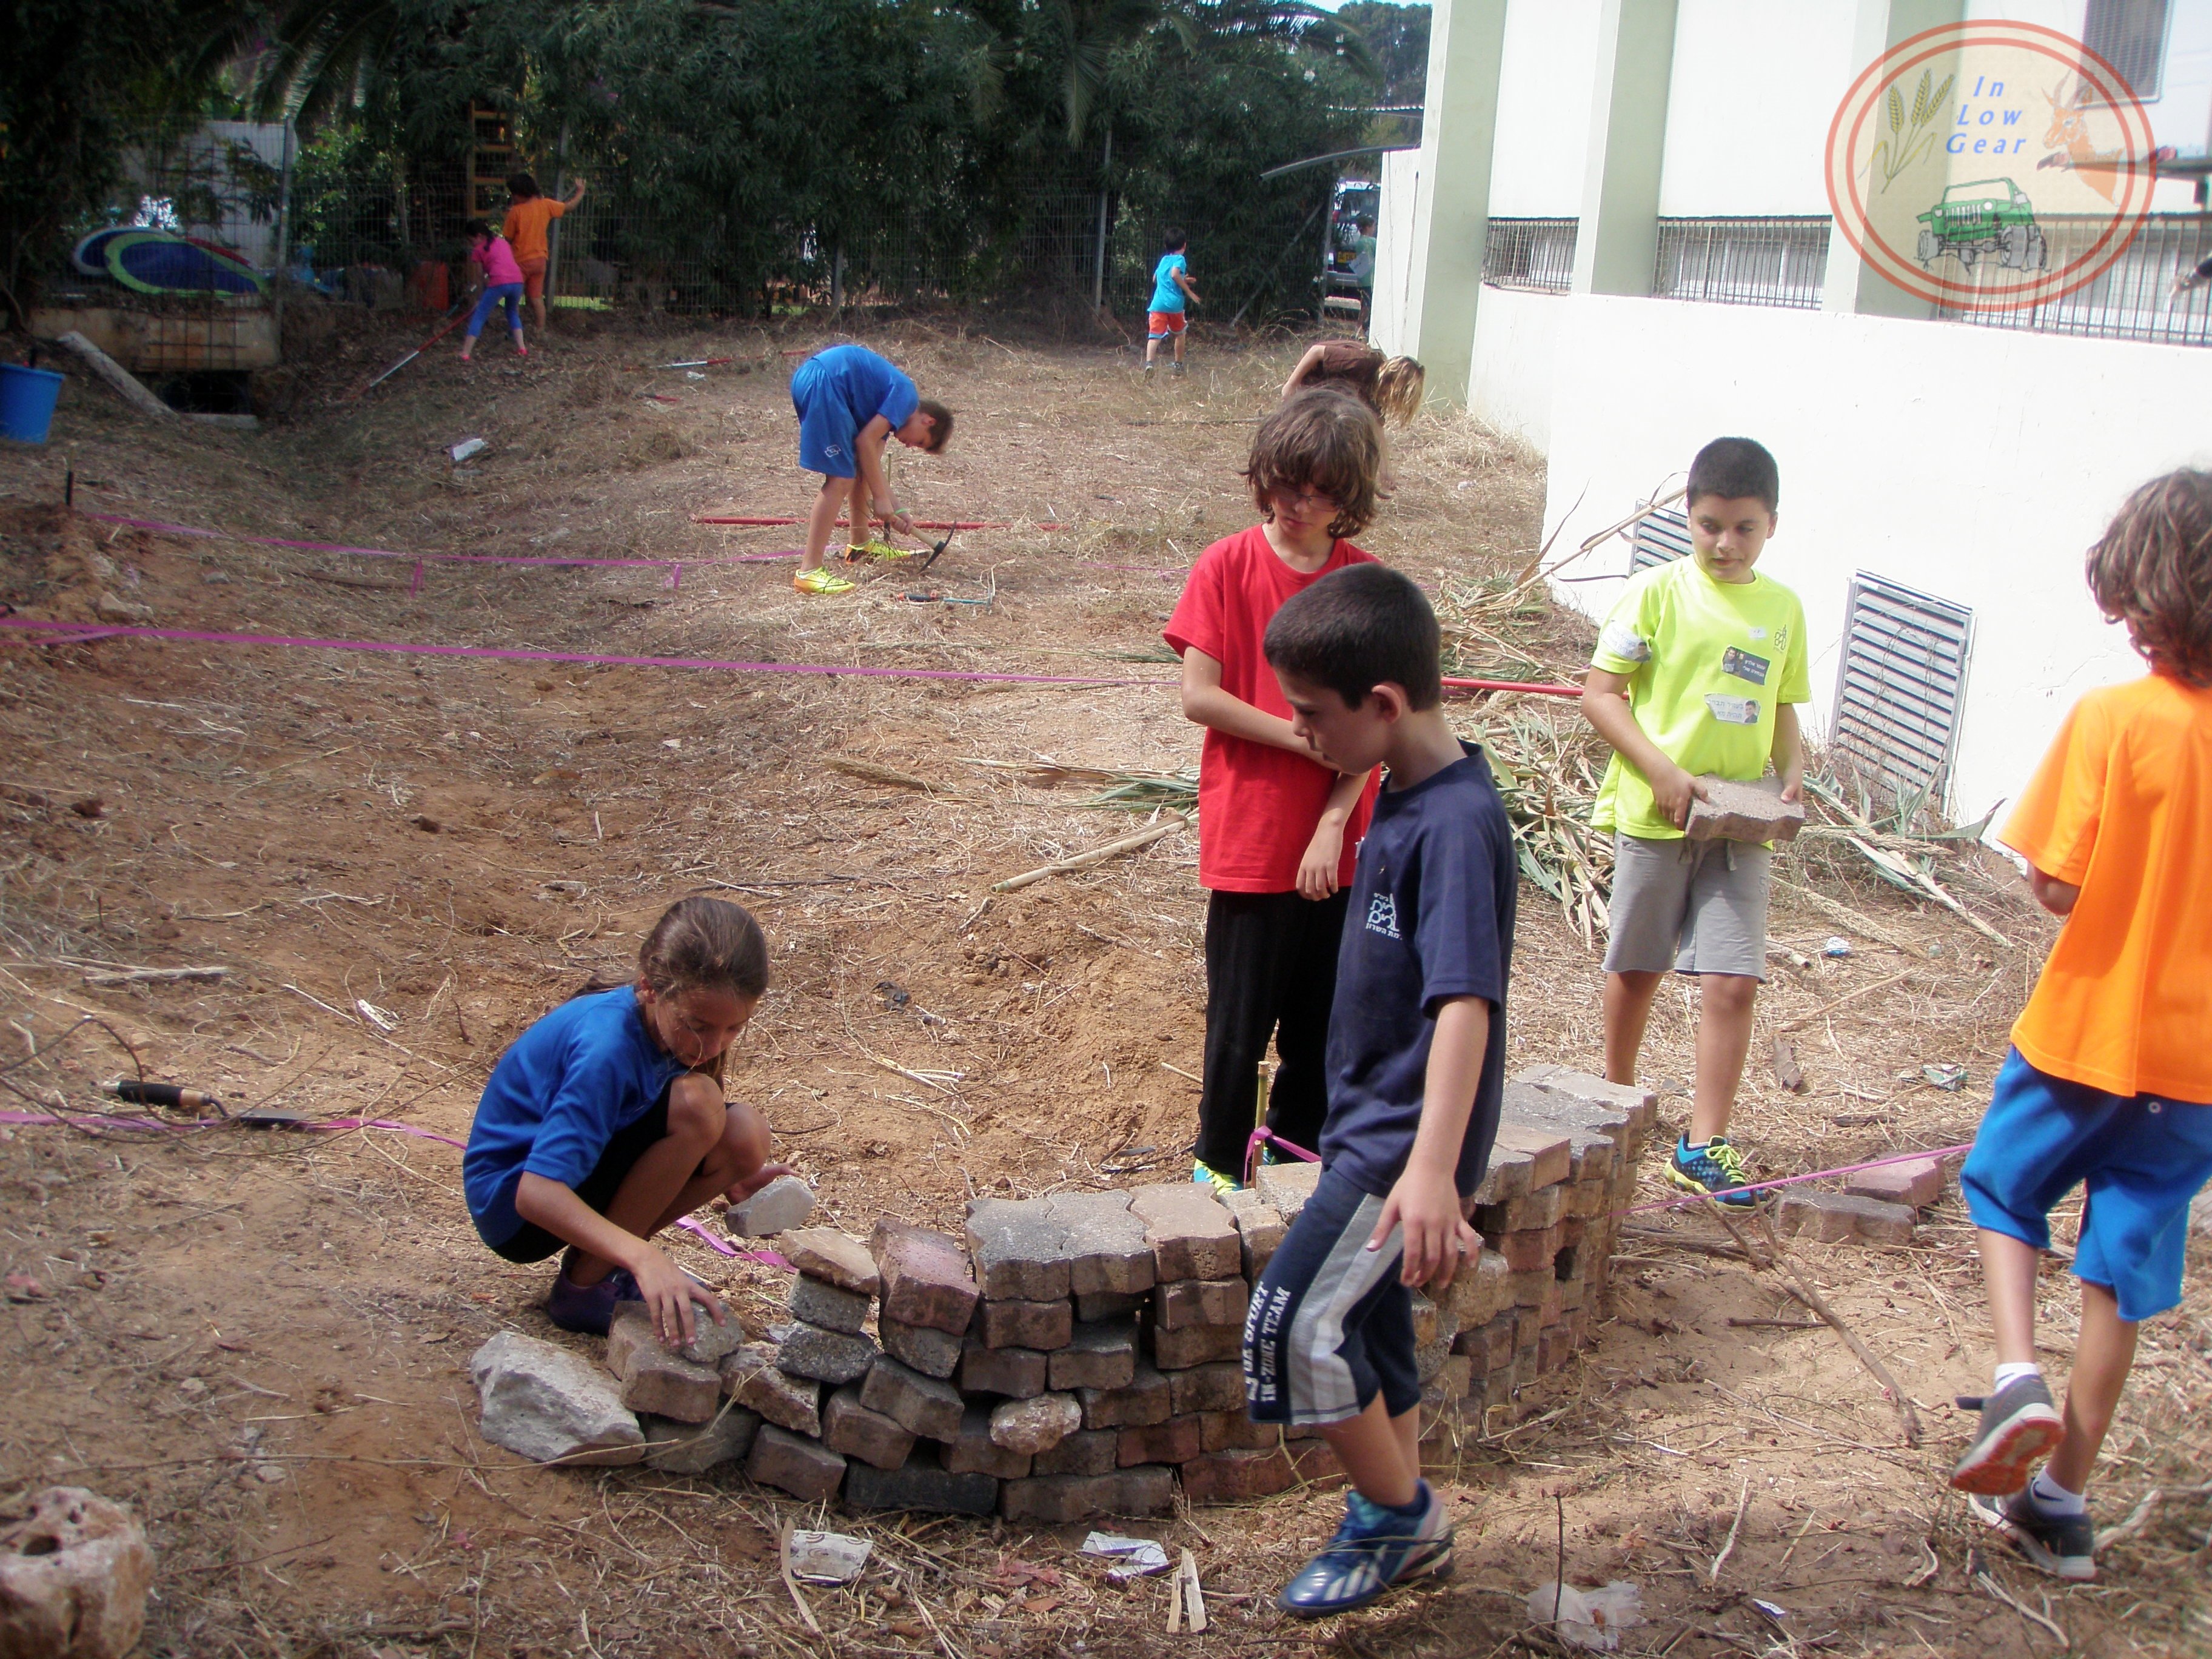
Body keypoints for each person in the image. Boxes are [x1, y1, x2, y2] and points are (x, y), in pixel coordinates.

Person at [1948, 469, 2212, 1582]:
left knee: (2003, 1190)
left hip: (2082, 1036)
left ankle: (2016, 1377)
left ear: (2137, 598)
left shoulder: (2112, 719)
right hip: (2196, 1072)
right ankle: (2062, 1504)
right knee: (2123, 1264)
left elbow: (2053, 883)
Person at [1242, 561, 1516, 1617]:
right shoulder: (1403, 788)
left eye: (1313, 716)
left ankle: (1396, 1521)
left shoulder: (1452, 825)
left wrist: (1434, 1174)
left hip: (1397, 1150)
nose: (1302, 732)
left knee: (1288, 1322)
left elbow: (1463, 1004)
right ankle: (1406, 1522)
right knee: (1369, 1334)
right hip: (1370, 1130)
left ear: (1385, 705)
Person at [1164, 390, 1386, 1195]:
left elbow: (1381, 726)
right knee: (1238, 1025)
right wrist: (1302, 734)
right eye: (1285, 483)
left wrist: (1334, 823)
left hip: (1339, 849)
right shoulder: (1226, 565)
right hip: (1252, 837)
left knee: (1322, 1025)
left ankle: (1296, 1169)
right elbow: (1200, 695)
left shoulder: (1365, 585)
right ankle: (1217, 1165)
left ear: (1350, 497)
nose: (1298, 504)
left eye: (1320, 490)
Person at [1581, 437, 1809, 1206]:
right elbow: (1600, 694)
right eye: (1711, 524)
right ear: (1688, 514)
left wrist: (1793, 777)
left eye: (1744, 527)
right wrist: (1662, 772)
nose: (1725, 542)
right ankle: (1617, 1103)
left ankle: (1704, 1143)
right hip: (1658, 815)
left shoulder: (1783, 610)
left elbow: (1782, 709)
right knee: (1638, 967)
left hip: (1740, 826)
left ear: (1772, 524)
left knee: (1733, 982)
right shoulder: (1653, 595)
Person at [463, 897, 789, 1343]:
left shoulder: (679, 1024)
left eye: (733, 1029)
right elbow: (534, 1194)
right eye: (699, 1026)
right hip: (513, 1205)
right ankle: (584, 1288)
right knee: (698, 1104)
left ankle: (599, 1266)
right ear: (651, 988)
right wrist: (641, 1256)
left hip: (573, 1174)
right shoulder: (606, 1049)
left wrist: (726, 1174)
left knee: (744, 1135)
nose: (714, 1046)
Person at [786, 343, 953, 597]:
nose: (910, 446)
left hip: (821, 382)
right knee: (841, 478)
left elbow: (870, 464)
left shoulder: (886, 415)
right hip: (825, 382)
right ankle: (809, 572)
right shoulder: (905, 397)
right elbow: (864, 442)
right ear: (928, 420)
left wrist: (897, 509)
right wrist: (881, 500)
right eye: (920, 441)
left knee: (860, 470)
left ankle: (860, 545)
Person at [1279, 341, 1424, 495]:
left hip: (1331, 399)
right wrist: (1291, 385)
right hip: (1312, 390)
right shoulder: (1362, 362)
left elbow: (1377, 426)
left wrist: (1385, 471)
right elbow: (1316, 352)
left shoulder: (1373, 388)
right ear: (1392, 381)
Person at [503, 170, 587, 333]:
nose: (513, 198)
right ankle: (540, 330)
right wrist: (580, 192)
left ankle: (515, 331)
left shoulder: (516, 212)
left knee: (514, 298)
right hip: (540, 260)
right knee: (536, 298)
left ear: (521, 193)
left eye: (514, 194)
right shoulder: (546, 205)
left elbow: (508, 238)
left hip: (520, 261)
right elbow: (569, 207)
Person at [458, 219, 528, 363]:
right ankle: (522, 348)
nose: (471, 244)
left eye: (471, 241)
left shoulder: (478, 251)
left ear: (479, 236)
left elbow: (479, 277)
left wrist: (479, 299)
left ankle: (465, 353)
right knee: (513, 312)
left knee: (479, 315)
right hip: (517, 281)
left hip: (499, 282)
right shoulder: (503, 243)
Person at [1145, 228, 1201, 375]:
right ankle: (1178, 365)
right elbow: (1175, 274)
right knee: (1180, 334)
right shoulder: (1180, 260)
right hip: (1175, 304)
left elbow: (1155, 279)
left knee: (1154, 336)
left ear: (1166, 246)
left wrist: (1183, 280)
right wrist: (1188, 291)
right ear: (1184, 245)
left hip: (1158, 304)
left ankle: (1149, 364)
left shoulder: (1163, 260)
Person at [1350, 216, 1378, 327]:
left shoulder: (1360, 242)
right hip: (1371, 278)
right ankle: (1361, 326)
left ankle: (1361, 325)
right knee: (1368, 304)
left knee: (1365, 303)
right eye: (1373, 227)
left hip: (1362, 277)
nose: (1374, 229)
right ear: (1368, 227)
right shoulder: (1372, 241)